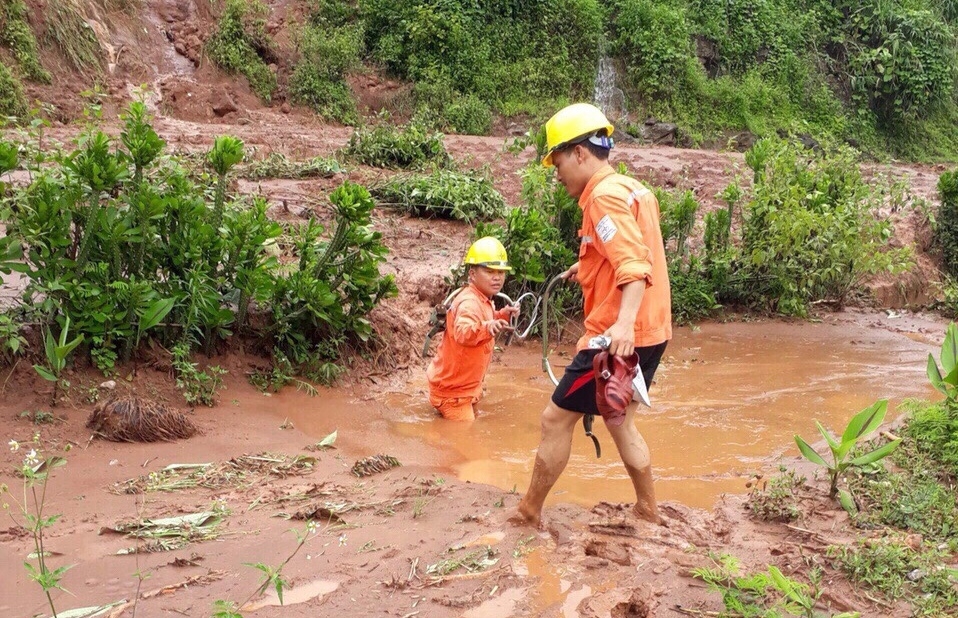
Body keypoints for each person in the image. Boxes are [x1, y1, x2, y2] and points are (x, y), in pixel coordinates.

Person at [513, 103, 672, 527]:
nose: (557, 172)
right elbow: (632, 249)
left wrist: (621, 325)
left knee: (554, 419)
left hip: (616, 336)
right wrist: (584, 267)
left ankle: (529, 511)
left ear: (581, 153)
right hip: (652, 331)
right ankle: (648, 510)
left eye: (558, 160)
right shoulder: (631, 189)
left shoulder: (601, 199)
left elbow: (634, 266)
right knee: (621, 423)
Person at [427, 237, 520, 421]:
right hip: (453, 393)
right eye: (489, 271)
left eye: (501, 272)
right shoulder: (469, 302)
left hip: (465, 388)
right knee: (466, 436)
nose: (497, 277)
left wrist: (502, 316)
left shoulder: (483, 299)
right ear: (472, 274)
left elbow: (484, 320)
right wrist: (488, 327)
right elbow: (464, 332)